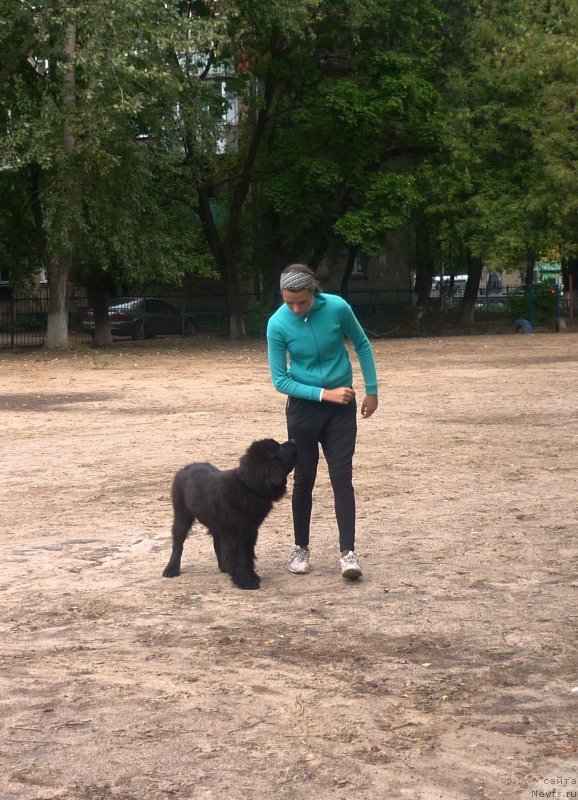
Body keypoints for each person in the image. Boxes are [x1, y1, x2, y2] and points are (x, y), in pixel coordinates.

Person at [266, 263, 379, 580]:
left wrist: (371, 391)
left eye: (301, 301)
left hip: (342, 406)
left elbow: (362, 345)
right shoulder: (277, 325)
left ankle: (348, 553)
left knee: (342, 476)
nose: (295, 307)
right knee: (304, 478)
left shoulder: (338, 308)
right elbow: (280, 380)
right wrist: (322, 394)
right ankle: (301, 547)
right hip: (304, 410)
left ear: (313, 291)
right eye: (288, 302)